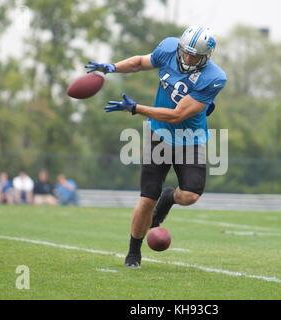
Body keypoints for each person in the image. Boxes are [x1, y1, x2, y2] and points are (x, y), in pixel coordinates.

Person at [85, 25, 226, 268]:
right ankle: (133, 253)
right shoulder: (169, 47)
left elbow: (176, 115)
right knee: (147, 198)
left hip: (190, 139)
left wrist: (136, 108)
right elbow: (140, 62)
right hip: (158, 134)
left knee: (190, 195)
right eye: (186, 52)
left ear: (206, 58)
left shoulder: (214, 78)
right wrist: (112, 67)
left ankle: (170, 197)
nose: (187, 58)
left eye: (194, 56)